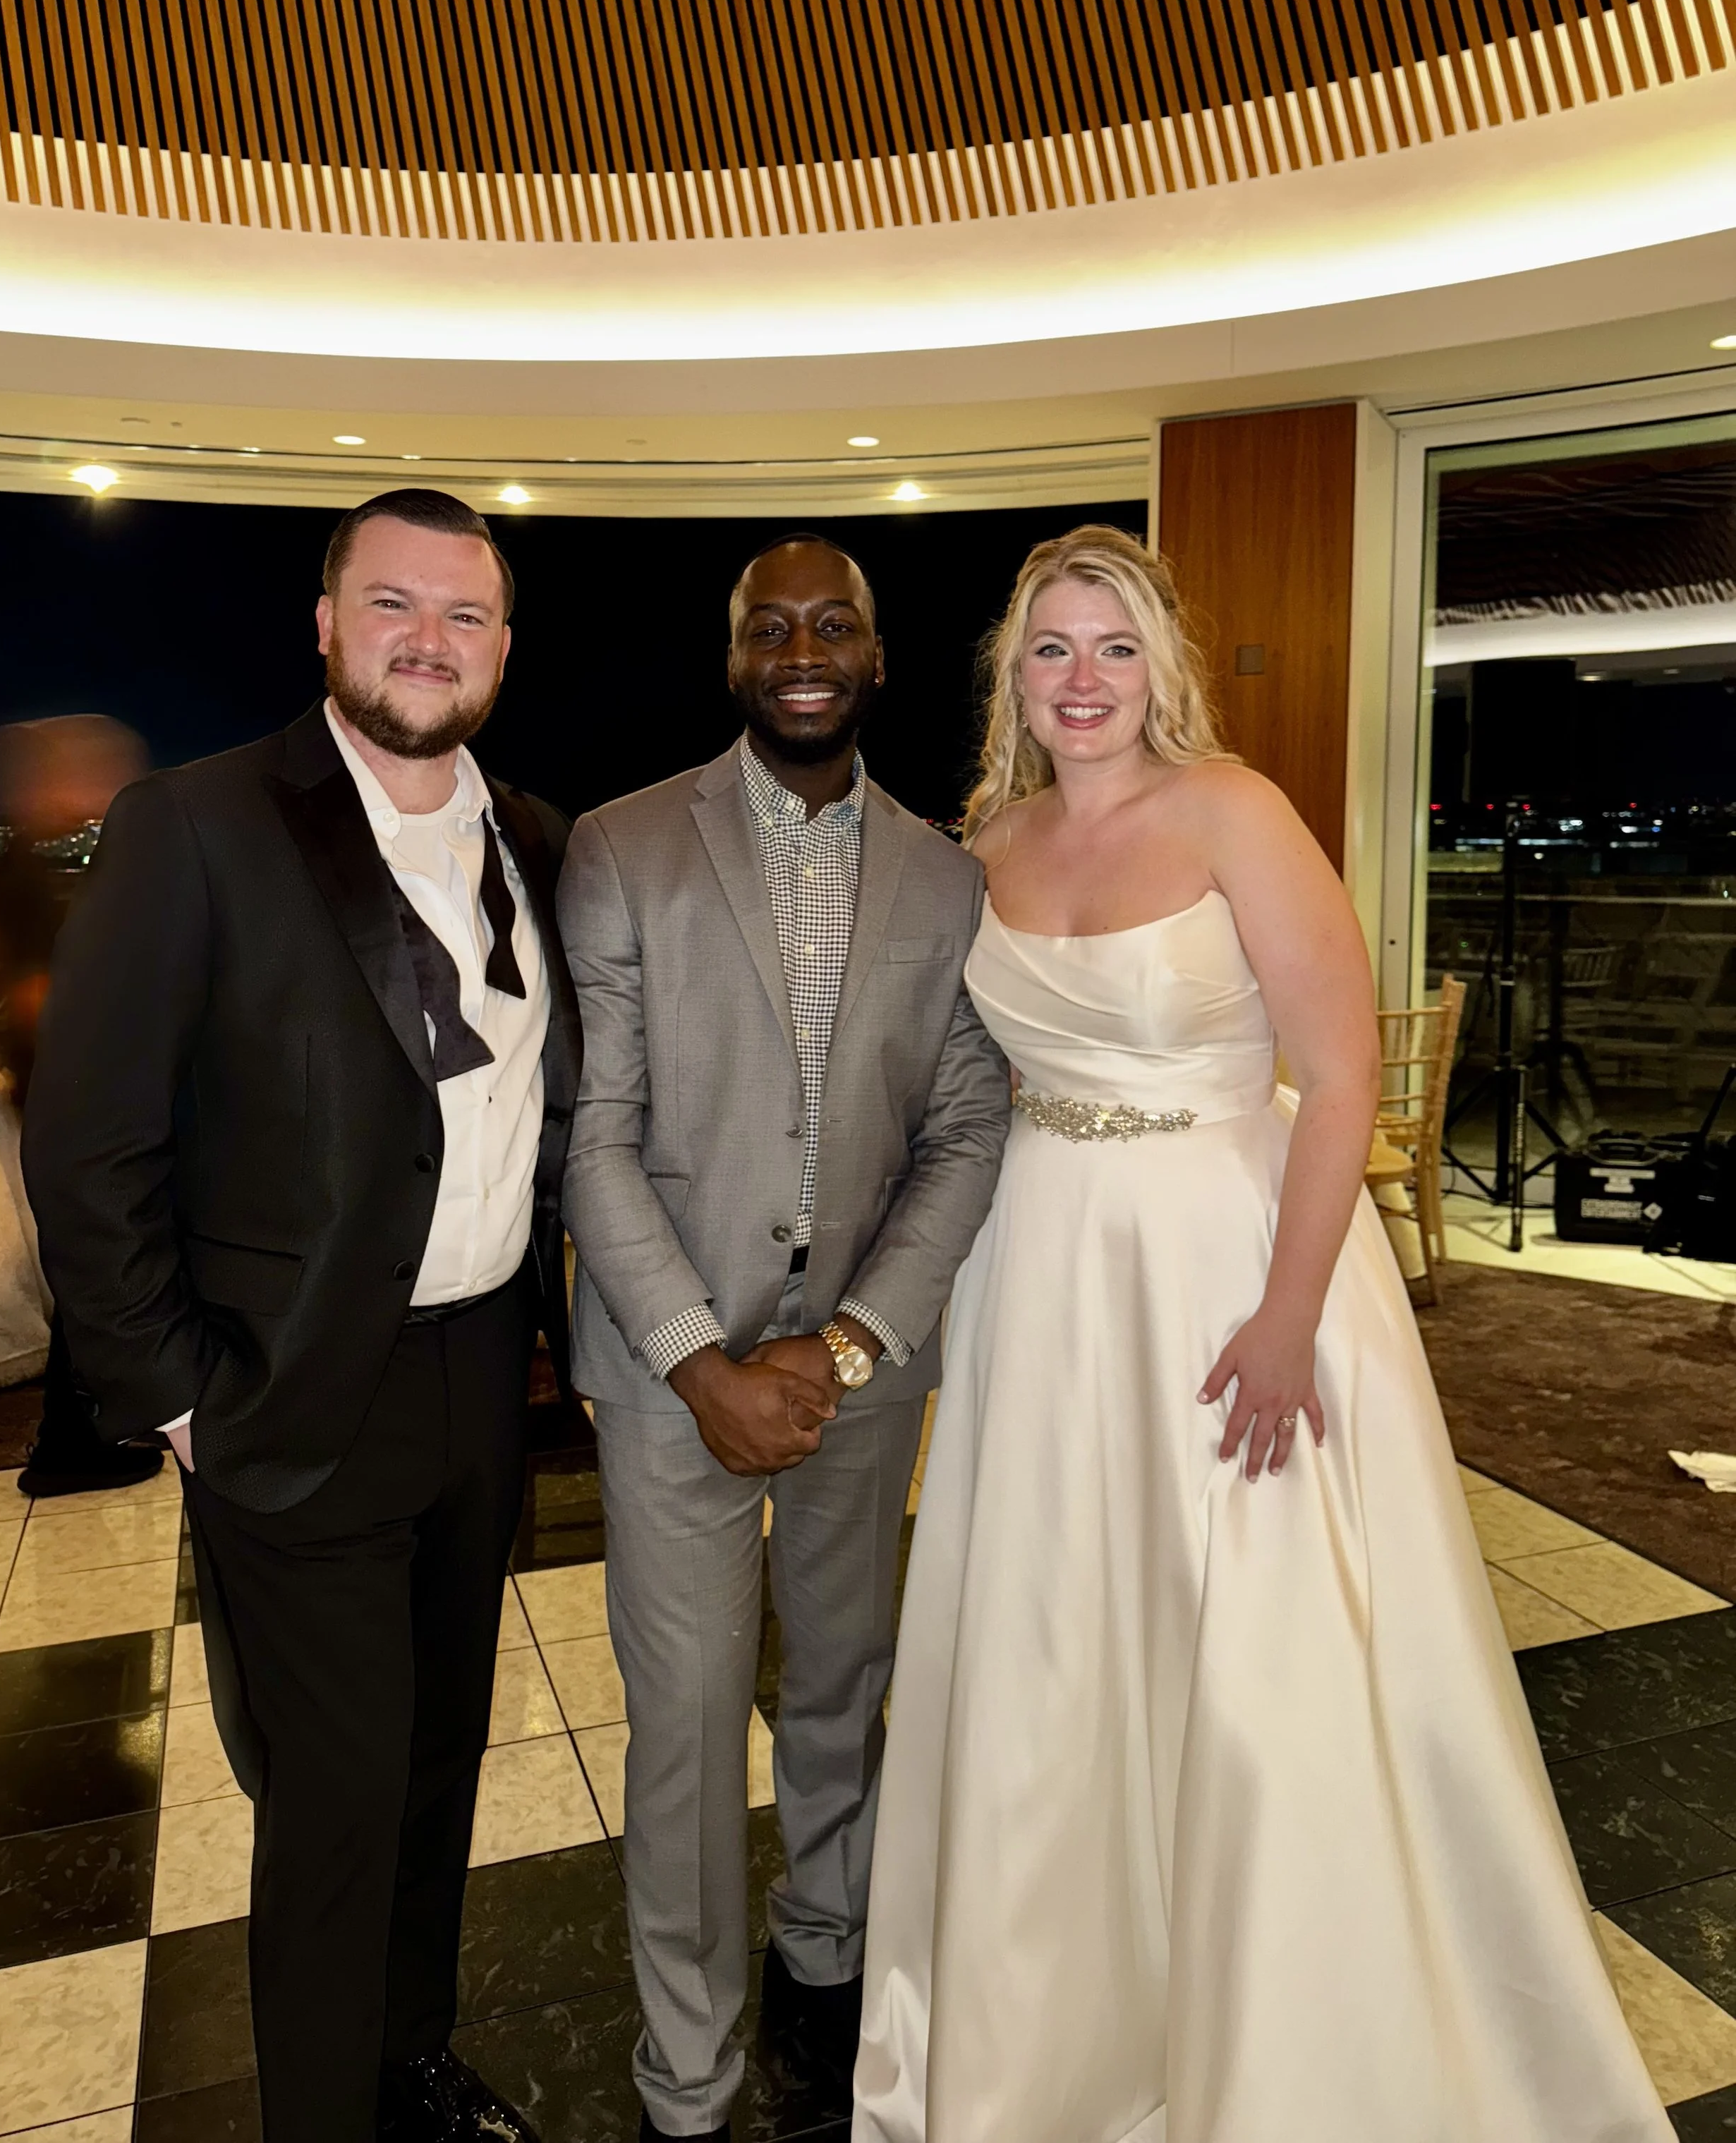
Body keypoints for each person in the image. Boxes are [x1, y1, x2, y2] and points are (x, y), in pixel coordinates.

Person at [853, 525, 1671, 2143]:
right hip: (1049, 1268)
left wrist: (1290, 1316)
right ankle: (1061, 2022)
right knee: (1059, 1633)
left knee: (1255, 1650)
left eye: (1112, 646)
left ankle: (1293, 2030)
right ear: (1010, 674)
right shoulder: (985, 839)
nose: (1082, 679)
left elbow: (1341, 1074)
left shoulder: (1235, 811)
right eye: (1049, 650)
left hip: (1236, 1262)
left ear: (1161, 664)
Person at [22, 490, 580, 2143]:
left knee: (438, 1765)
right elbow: (92, 1137)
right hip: (286, 1388)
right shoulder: (196, 822)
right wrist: (178, 1396)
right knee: (332, 1801)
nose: (429, 637)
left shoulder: (535, 841)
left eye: (463, 613)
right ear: (326, 625)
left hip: (481, 1373)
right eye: (392, 602)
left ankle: (411, 2057)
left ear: (500, 647)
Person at [559, 534, 1012, 2142]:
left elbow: (968, 1128)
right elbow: (595, 1134)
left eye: (836, 625)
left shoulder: (950, 876)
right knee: (682, 1729)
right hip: (674, 1375)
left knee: (844, 1684)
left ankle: (827, 1961)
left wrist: (856, 1341)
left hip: (861, 1379)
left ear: (879, 659)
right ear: (734, 656)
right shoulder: (623, 849)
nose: (804, 648)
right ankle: (686, 2074)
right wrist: (699, 1360)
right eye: (772, 626)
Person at [0, 715, 162, 1493]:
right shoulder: (27, 879)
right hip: (73, 1101)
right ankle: (67, 1444)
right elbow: (38, 999)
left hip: (65, 1096)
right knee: (93, 1260)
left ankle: (96, 1420)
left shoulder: (29, 874)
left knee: (98, 1259)